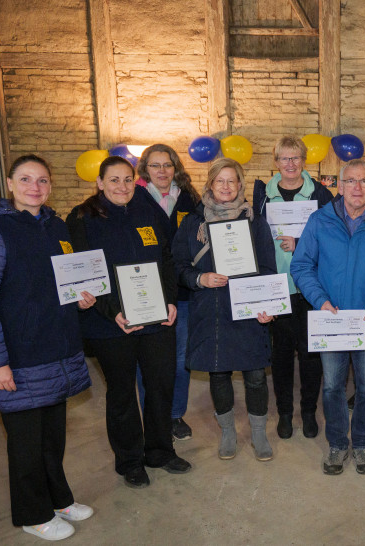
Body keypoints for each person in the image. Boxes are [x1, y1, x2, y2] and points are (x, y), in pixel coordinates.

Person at [0, 155, 94, 541]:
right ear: (9, 183)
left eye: (42, 180)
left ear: (51, 186)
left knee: (52, 437)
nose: (34, 187)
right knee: (25, 443)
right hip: (18, 356)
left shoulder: (57, 226)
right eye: (25, 179)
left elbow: (58, 283)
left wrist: (81, 297)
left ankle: (59, 499)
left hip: (57, 349)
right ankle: (32, 513)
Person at [67, 156, 191, 489]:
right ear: (99, 183)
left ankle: (160, 451)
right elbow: (82, 273)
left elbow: (166, 259)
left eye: (127, 180)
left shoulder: (148, 211)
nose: (121, 187)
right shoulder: (82, 218)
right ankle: (131, 461)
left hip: (156, 319)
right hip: (110, 324)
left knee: (161, 385)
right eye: (113, 180)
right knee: (122, 394)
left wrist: (169, 300)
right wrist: (113, 313)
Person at [290, 159, 365, 475]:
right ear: (340, 186)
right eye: (351, 181)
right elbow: (301, 265)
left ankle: (363, 445)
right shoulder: (319, 221)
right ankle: (338, 443)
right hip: (332, 322)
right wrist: (320, 301)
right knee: (333, 386)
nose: (358, 188)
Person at [172, 157, 277, 461]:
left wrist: (266, 304)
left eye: (233, 181)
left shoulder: (256, 221)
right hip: (211, 309)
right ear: (211, 184)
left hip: (248, 310)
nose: (227, 187)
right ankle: (228, 431)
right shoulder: (193, 223)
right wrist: (199, 278)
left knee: (256, 375)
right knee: (219, 375)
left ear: (241, 185)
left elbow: (268, 267)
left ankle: (258, 433)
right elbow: (177, 265)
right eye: (220, 181)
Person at [253, 136, 332, 440]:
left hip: (311, 288)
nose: (290, 164)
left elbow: (332, 239)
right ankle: (285, 413)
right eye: (284, 159)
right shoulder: (264, 196)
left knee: (311, 355)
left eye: (296, 158)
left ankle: (309, 412)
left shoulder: (321, 195)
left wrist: (299, 244)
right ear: (276, 162)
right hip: (278, 288)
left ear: (304, 160)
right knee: (282, 355)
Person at [135, 144, 200, 441]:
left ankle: (175, 415)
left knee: (180, 358)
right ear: (145, 169)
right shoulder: (133, 199)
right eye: (155, 165)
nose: (162, 171)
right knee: (148, 358)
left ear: (176, 168)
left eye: (168, 165)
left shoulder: (189, 198)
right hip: (146, 291)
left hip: (183, 292)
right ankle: (152, 416)